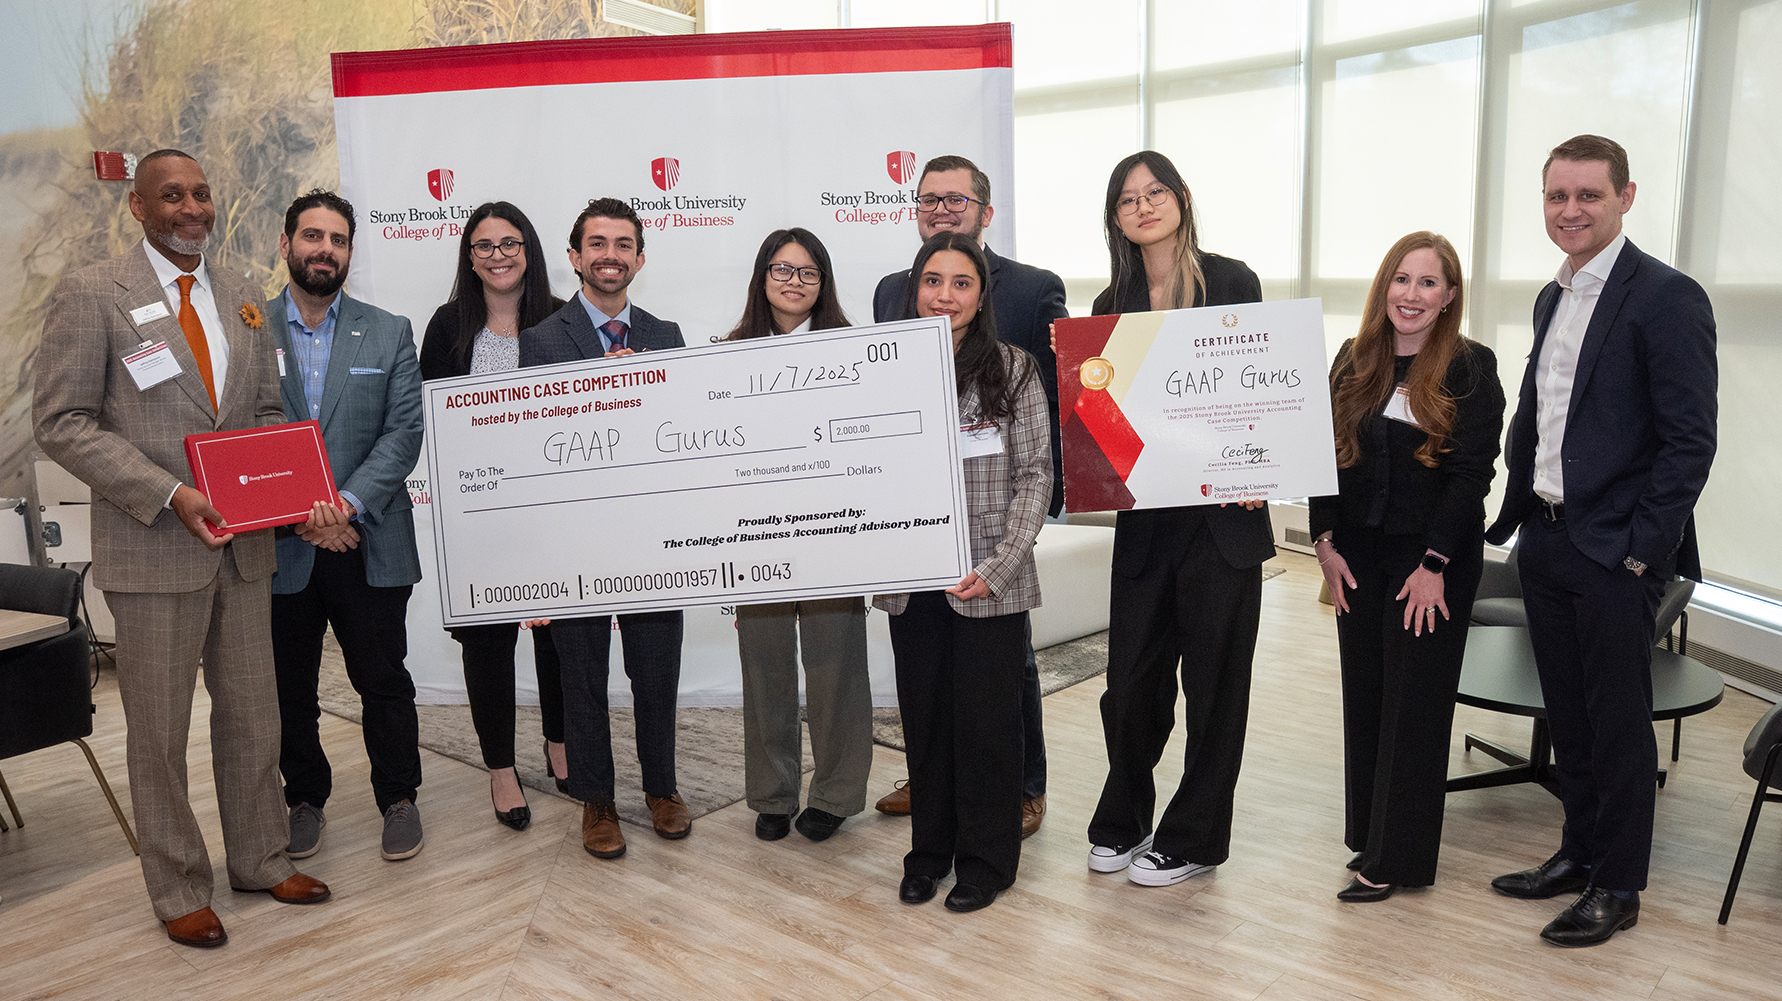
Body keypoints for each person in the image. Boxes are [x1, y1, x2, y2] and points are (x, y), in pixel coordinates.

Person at [32, 149, 329, 948]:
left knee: (255, 719)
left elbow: (263, 409)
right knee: (159, 736)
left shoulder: (240, 296)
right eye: (172, 195)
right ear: (137, 206)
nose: (191, 207)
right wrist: (171, 492)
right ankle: (178, 886)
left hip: (244, 552)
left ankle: (262, 858)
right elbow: (60, 421)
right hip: (156, 545)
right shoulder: (95, 293)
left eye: (200, 193)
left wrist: (283, 478)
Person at [1484, 135, 1717, 947]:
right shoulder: (1555, 298)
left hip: (1616, 552)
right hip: (1544, 541)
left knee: (1617, 724)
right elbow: (1546, 415)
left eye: (1588, 195)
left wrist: (1641, 550)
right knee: (1569, 715)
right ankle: (1578, 853)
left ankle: (1618, 884)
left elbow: (1690, 442)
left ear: (1625, 197)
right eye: (1557, 196)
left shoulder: (1666, 296)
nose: (1571, 210)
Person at [1083, 150, 1275, 887]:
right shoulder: (1108, 305)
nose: (1142, 206)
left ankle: (1193, 837)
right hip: (1146, 523)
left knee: (1216, 686)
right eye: (1126, 199)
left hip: (1221, 520)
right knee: (1129, 683)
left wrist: (1262, 465)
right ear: (1116, 218)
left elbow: (1262, 387)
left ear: (1182, 198)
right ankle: (1124, 818)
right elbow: (1105, 418)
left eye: (1154, 191)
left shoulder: (1231, 282)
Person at [871, 154, 1068, 838]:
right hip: (918, 540)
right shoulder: (892, 288)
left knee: (1005, 674)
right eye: (930, 199)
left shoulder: (1033, 288)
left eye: (957, 198)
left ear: (986, 210)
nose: (942, 208)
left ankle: (1020, 786)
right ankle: (936, 787)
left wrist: (1017, 539)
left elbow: (1049, 410)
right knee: (926, 683)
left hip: (995, 525)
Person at [1309, 232, 1505, 903]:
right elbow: (1323, 454)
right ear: (1383, 285)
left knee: (1415, 703)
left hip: (1430, 560)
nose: (1412, 295)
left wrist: (1435, 563)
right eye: (1402, 279)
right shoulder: (1351, 360)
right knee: (1367, 692)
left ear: (1449, 295)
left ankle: (1399, 858)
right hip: (1357, 554)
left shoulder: (1470, 367)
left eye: (1428, 283)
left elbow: (1471, 475)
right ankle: (1371, 832)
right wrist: (1323, 541)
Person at [519, 197, 690, 859]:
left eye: (623, 244)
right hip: (575, 538)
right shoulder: (540, 340)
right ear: (575, 257)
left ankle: (662, 788)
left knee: (656, 670)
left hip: (653, 533)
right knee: (582, 673)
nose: (610, 255)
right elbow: (531, 446)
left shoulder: (666, 333)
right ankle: (596, 800)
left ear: (639, 259)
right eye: (597, 244)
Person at [267, 190, 427, 863]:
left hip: (367, 537)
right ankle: (304, 797)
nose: (323, 248)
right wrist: (305, 513)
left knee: (383, 677)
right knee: (287, 685)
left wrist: (346, 505)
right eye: (311, 235)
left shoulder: (388, 329)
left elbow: (403, 431)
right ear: (286, 245)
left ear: (350, 253)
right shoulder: (244, 328)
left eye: (336, 238)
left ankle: (399, 796)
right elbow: (243, 432)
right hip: (281, 545)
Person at [419, 201, 568, 832]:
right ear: (469, 256)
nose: (498, 254)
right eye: (483, 245)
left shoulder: (564, 319)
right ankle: (501, 770)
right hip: (476, 510)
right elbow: (429, 414)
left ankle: (562, 747)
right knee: (489, 641)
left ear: (528, 250)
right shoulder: (449, 324)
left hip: (555, 508)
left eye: (510, 242)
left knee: (560, 636)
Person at [724, 229, 874, 843]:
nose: (794, 281)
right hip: (756, 539)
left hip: (834, 534)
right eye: (782, 269)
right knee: (764, 670)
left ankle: (836, 795)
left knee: (837, 666)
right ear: (762, 277)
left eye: (808, 273)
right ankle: (772, 793)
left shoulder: (855, 351)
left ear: (824, 283)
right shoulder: (727, 354)